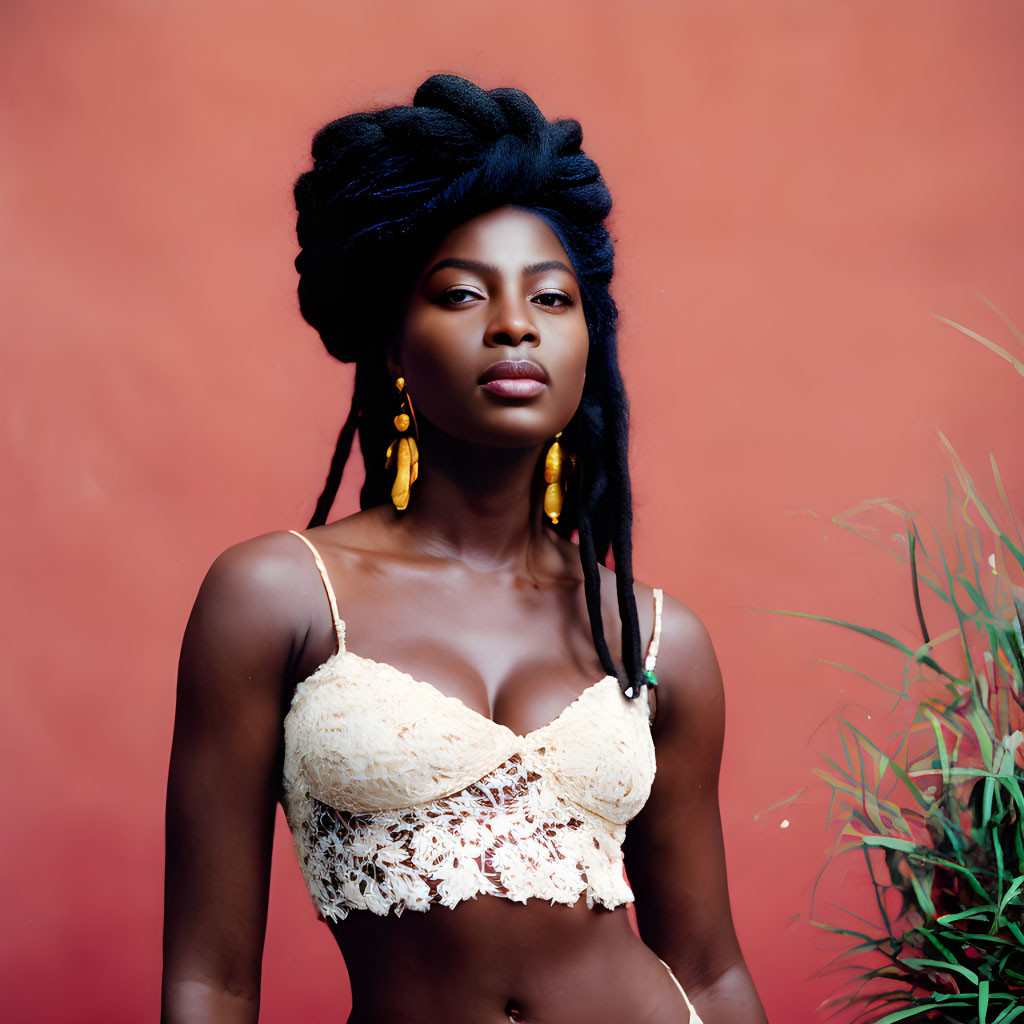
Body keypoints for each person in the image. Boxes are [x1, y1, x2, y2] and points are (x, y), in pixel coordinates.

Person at [162, 75, 767, 1024]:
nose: (515, 324)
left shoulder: (652, 638)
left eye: (553, 298)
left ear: (586, 343)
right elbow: (212, 978)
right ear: (394, 344)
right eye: (462, 294)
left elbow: (711, 967)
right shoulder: (277, 596)